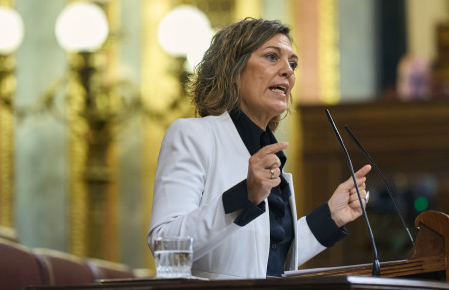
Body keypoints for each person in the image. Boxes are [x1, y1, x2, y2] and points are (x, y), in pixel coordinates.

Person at [147, 18, 372, 280]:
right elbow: (166, 247)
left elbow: (265, 259)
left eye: (292, 63)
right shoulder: (193, 135)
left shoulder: (270, 150)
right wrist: (245, 195)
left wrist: (331, 216)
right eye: (272, 56)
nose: (288, 70)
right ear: (233, 70)